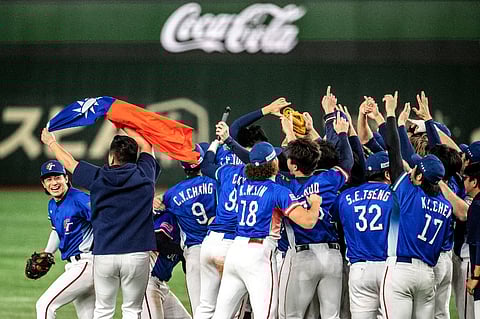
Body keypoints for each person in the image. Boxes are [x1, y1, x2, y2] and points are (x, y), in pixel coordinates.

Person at [41, 127, 160, 319]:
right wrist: (127, 124)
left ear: (111, 157)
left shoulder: (98, 177)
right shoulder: (145, 174)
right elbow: (147, 145)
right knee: (132, 310)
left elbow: (69, 163)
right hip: (137, 253)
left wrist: (51, 142)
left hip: (104, 255)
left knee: (103, 311)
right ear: (134, 156)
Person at [211, 140, 322, 319]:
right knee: (266, 314)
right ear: (274, 163)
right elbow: (308, 222)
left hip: (235, 250)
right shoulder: (278, 191)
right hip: (259, 253)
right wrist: (315, 204)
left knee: (221, 315)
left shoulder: (242, 186)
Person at [380, 92, 453, 319]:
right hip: (428, 274)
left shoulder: (409, 192)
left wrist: (390, 115)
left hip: (402, 269)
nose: (412, 171)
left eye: (416, 171)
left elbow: (394, 151)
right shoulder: (446, 205)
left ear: (420, 177)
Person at [277, 112, 353, 319]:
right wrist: (343, 135)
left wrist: (289, 133)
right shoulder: (330, 179)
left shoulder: (285, 185)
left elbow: (274, 164)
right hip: (333, 255)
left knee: (290, 315)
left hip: (303, 256)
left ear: (293, 164)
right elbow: (347, 161)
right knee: (331, 316)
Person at [331, 151, 393, 319]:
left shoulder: (345, 196)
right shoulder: (396, 195)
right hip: (389, 267)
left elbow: (333, 217)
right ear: (387, 173)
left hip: (359, 269)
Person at [160, 144, 217, 317]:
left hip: (195, 253)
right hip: (218, 246)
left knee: (201, 310)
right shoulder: (216, 183)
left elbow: (161, 209)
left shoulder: (171, 194)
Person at [35, 160, 95, 319]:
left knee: (44, 305)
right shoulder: (52, 205)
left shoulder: (80, 199)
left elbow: (104, 221)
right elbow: (56, 230)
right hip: (77, 266)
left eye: (57, 177)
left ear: (66, 178)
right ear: (43, 184)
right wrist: (48, 252)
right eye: (48, 179)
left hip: (87, 264)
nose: (53, 183)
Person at [141, 211, 191, 319]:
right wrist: (182, 250)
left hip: (161, 285)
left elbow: (188, 268)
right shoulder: (170, 216)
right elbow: (157, 240)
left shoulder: (190, 233)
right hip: (146, 282)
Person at [463, 161, 480, 317]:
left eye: (466, 178)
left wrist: (476, 276)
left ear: (474, 182)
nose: (463, 181)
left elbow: (479, 242)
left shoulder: (477, 205)